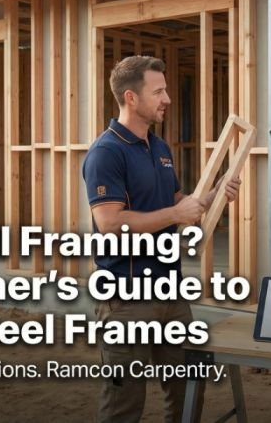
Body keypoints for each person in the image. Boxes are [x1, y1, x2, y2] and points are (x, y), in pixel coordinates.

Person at [82, 55, 240, 423]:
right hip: (126, 302)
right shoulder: (106, 153)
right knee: (123, 405)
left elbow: (177, 203)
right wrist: (175, 215)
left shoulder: (160, 149)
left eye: (166, 89)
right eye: (159, 91)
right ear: (131, 98)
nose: (167, 98)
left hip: (171, 296)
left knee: (186, 394)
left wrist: (214, 195)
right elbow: (109, 222)